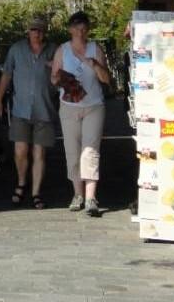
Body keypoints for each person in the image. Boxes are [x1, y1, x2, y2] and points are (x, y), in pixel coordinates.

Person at [51, 11, 111, 217]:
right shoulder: (62, 50)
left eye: (84, 27)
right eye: (76, 27)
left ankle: (90, 197)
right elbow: (53, 78)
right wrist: (61, 79)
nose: (80, 31)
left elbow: (106, 79)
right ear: (70, 29)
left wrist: (94, 64)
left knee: (90, 149)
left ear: (88, 30)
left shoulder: (96, 49)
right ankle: (77, 194)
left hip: (93, 105)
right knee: (73, 151)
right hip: (69, 106)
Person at [0, 17, 58, 209]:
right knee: (20, 150)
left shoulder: (54, 50)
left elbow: (64, 73)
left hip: (44, 108)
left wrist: (54, 67)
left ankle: (36, 192)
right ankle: (22, 182)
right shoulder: (16, 49)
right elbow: (7, 74)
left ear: (44, 31)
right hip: (21, 108)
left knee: (39, 152)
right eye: (33, 30)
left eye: (40, 30)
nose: (36, 33)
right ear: (28, 31)